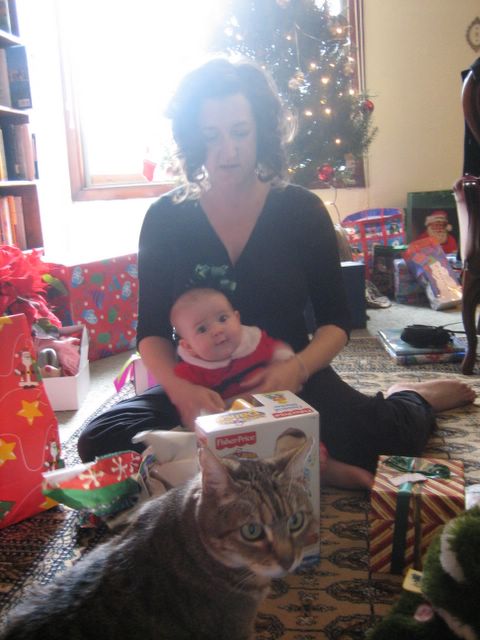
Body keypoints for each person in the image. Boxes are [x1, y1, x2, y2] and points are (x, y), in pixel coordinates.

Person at [77, 56, 475, 482]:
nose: (227, 151)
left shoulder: (302, 210)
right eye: (211, 136)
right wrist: (182, 390)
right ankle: (285, 458)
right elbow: (152, 332)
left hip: (290, 377)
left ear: (261, 131)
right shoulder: (165, 218)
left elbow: (336, 322)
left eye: (240, 132)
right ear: (193, 138)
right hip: (202, 381)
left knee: (386, 439)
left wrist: (296, 369)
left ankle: (410, 397)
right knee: (100, 440)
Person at [170, 286, 374, 488]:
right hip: (228, 434)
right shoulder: (193, 370)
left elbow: (280, 353)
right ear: (188, 346)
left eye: (223, 319)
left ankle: (327, 471)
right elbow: (187, 400)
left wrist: (287, 365)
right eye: (202, 329)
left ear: (237, 318)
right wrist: (195, 402)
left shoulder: (253, 343)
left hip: (273, 418)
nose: (217, 330)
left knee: (298, 444)